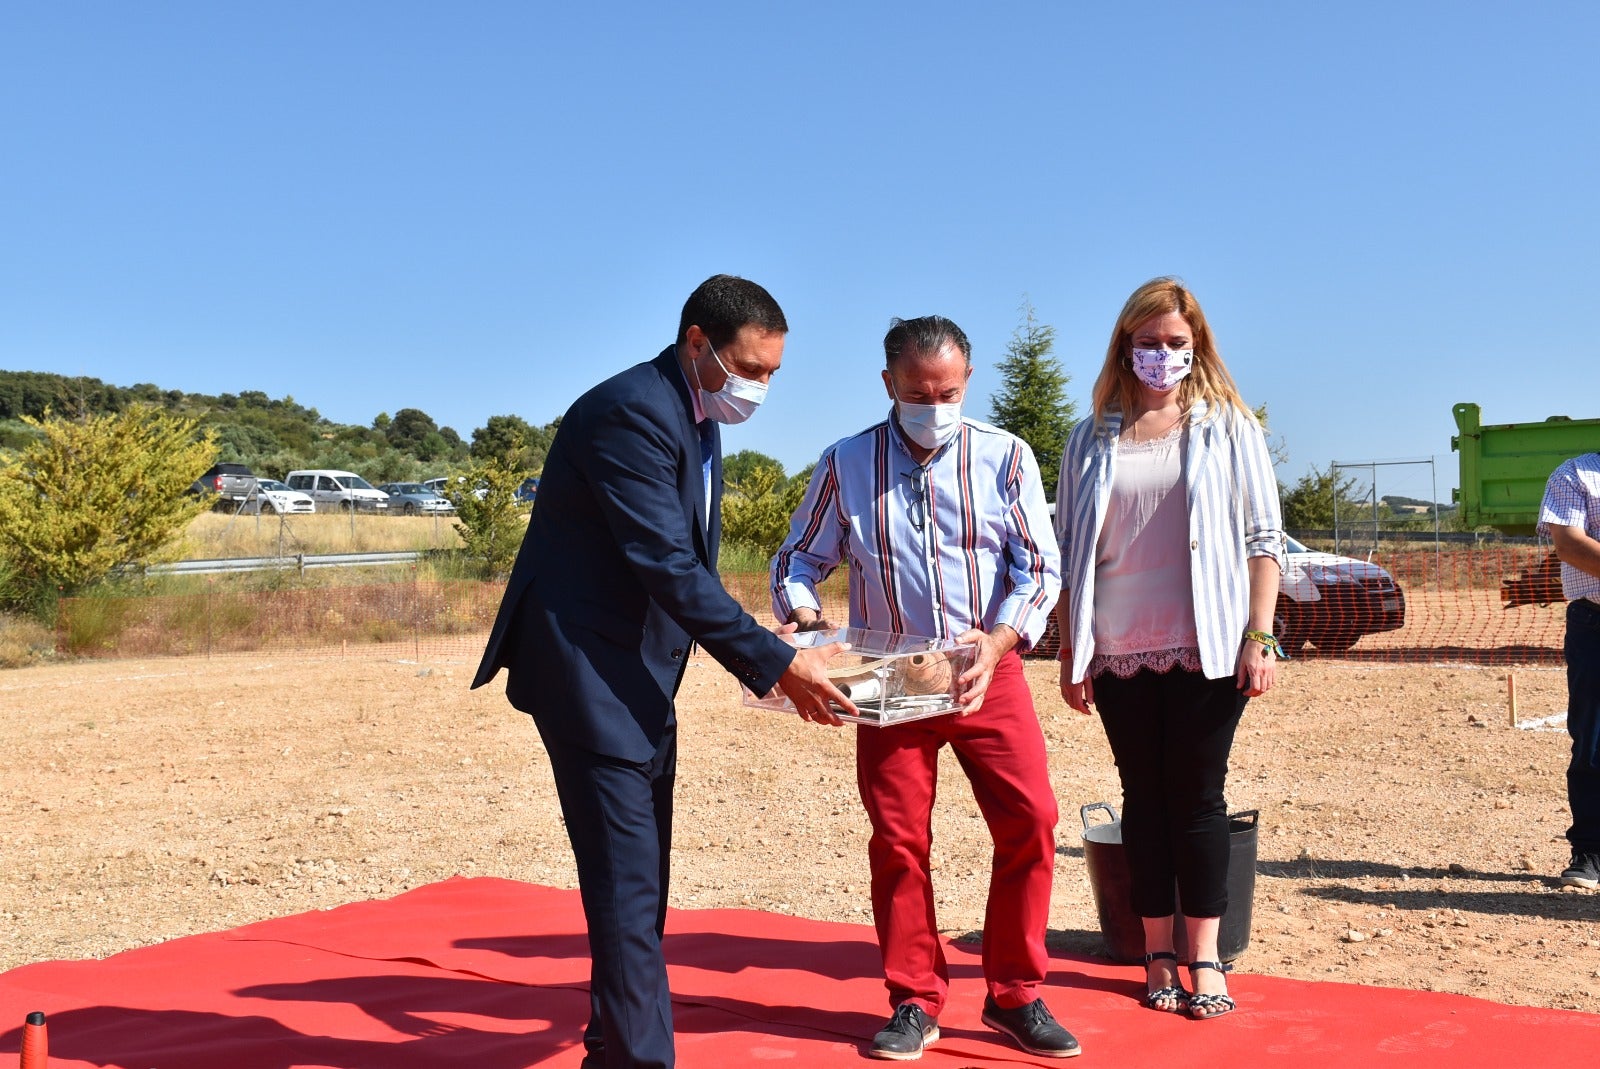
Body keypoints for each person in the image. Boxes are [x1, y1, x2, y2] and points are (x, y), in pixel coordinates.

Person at [471, 274, 853, 1069]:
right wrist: (777, 663)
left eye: (775, 373)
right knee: (628, 885)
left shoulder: (694, 411)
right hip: (589, 676)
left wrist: (773, 633)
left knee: (637, 883)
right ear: (697, 344)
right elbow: (666, 564)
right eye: (752, 368)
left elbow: (686, 571)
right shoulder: (630, 412)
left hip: (639, 675)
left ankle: (613, 1043)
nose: (762, 387)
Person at [772, 316, 1077, 1060]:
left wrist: (1000, 637)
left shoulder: (1006, 458)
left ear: (968, 382)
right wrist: (810, 622)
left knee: (1031, 821)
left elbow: (1041, 565)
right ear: (888, 385)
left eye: (947, 391)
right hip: (889, 682)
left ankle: (1015, 993)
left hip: (984, 669)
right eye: (916, 391)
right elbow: (798, 559)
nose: (933, 404)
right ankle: (914, 997)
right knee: (900, 840)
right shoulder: (846, 462)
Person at [1053, 277, 1284, 1021]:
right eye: (1148, 343)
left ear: (1197, 348)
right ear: (1125, 345)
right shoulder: (1088, 437)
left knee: (1197, 797)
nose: (1161, 355)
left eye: (1175, 344)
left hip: (1210, 645)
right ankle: (1154, 952)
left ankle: (1205, 955)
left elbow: (1263, 539)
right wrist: (1070, 649)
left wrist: (1260, 635)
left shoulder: (1228, 426)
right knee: (1141, 802)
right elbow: (1069, 551)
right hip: (1117, 647)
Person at [1537, 453, 1600, 889]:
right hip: (1595, 625)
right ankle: (1591, 853)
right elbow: (1570, 544)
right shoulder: (1576, 474)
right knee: (1594, 744)